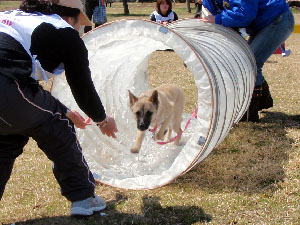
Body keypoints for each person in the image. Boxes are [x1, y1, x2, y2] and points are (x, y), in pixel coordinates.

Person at [0, 0, 118, 216]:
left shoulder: (12, 18)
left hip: (8, 91)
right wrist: (101, 119)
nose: (78, 30)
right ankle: (84, 198)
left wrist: (63, 109)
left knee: (6, 139)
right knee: (57, 126)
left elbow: (21, 80)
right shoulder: (63, 31)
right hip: (6, 88)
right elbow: (83, 87)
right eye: (78, 23)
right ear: (69, 17)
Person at [201, 0, 295, 122]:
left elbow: (245, 13)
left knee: (251, 63)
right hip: (264, 23)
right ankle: (261, 101)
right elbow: (214, 13)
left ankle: (249, 112)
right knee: (245, 62)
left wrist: (218, 19)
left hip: (276, 19)